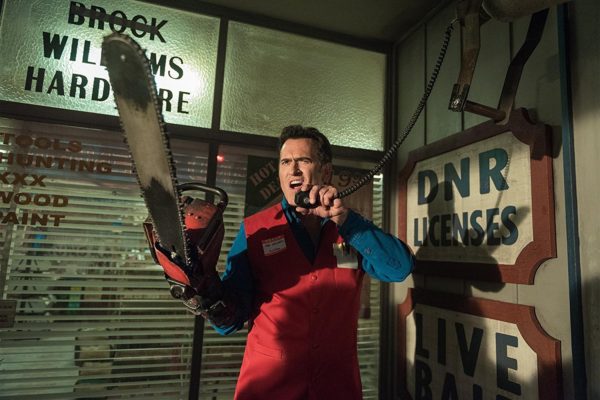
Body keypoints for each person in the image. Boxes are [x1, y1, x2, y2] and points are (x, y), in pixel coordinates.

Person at [154, 125, 415, 399]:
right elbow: (229, 321)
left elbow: (399, 268)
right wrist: (204, 287)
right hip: (269, 387)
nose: (294, 170)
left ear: (326, 172)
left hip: (337, 386)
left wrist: (346, 220)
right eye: (285, 162)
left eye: (304, 160)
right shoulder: (255, 230)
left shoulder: (351, 228)